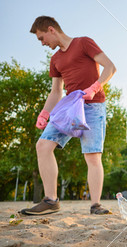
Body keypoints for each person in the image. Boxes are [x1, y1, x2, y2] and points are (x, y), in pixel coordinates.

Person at [20, 16, 116, 215]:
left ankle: (95, 205)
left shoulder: (83, 43)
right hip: (68, 108)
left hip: (92, 106)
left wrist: (95, 87)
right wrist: (45, 113)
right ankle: (51, 200)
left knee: (92, 156)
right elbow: (56, 91)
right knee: (43, 145)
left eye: (41, 38)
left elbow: (110, 67)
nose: (42, 43)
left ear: (51, 29)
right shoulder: (55, 59)